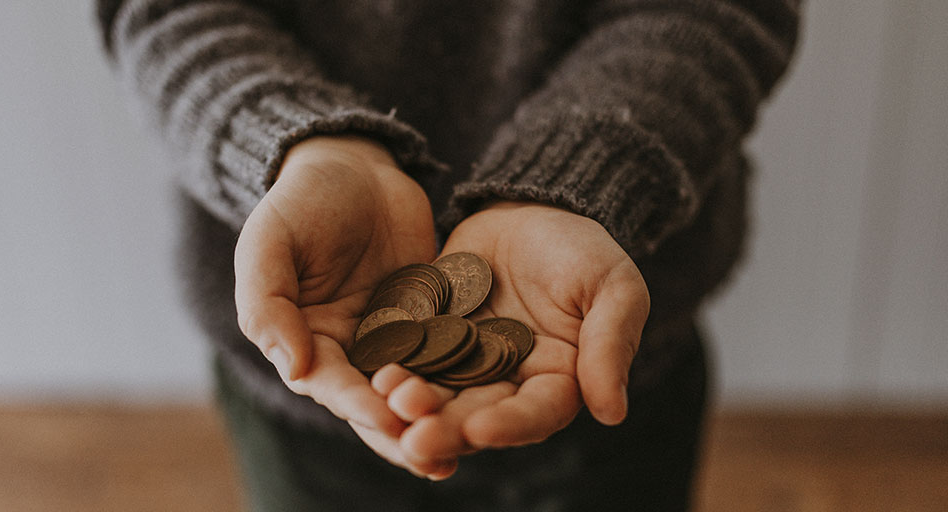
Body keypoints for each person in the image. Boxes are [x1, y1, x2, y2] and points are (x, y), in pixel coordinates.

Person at [97, 1, 800, 509]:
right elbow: (162, 11)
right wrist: (291, 143)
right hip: (310, 384)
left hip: (606, 360)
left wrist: (579, 177)